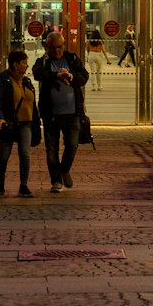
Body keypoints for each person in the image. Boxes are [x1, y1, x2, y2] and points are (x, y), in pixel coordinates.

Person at [33, 30, 88, 192]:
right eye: (52, 48)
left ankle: (64, 169)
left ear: (64, 46)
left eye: (59, 47)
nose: (56, 51)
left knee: (72, 145)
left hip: (72, 113)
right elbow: (37, 74)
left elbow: (84, 76)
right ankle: (56, 181)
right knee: (51, 150)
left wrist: (71, 76)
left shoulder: (72, 59)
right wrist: (56, 75)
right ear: (46, 47)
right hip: (51, 115)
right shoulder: (43, 62)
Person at [0, 49, 40, 197]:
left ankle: (23, 185)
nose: (27, 65)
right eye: (24, 62)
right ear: (15, 64)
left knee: (25, 154)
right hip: (9, 123)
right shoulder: (2, 79)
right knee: (4, 155)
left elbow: (32, 103)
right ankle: (1, 183)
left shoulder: (26, 80)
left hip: (26, 123)